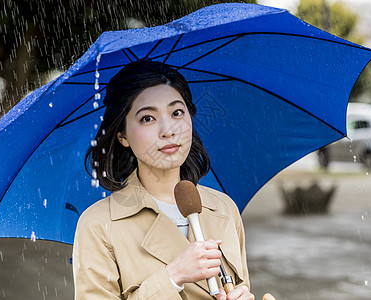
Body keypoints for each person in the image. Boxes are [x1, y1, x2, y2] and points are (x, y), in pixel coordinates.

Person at [72, 60, 254, 300]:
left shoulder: (224, 208)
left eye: (177, 112)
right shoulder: (98, 225)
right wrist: (172, 276)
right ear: (122, 136)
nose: (168, 130)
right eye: (147, 118)